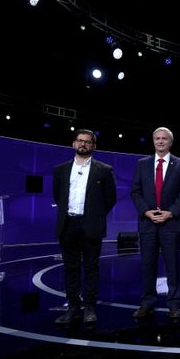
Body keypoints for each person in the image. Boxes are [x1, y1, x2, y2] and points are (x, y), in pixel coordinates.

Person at [52, 129, 117, 325]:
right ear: (73, 144)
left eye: (87, 142)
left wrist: (95, 215)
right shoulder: (61, 170)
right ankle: (72, 307)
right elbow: (58, 196)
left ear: (94, 146)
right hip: (68, 224)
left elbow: (110, 199)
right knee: (70, 268)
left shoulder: (104, 170)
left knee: (91, 268)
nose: (83, 144)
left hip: (91, 224)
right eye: (80, 141)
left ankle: (89, 307)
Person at [130, 126, 180, 319]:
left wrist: (171, 212)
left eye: (164, 138)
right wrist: (146, 211)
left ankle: (173, 304)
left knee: (172, 265)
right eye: (157, 138)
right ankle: (147, 303)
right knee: (148, 264)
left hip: (171, 223)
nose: (160, 141)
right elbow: (135, 191)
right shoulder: (142, 164)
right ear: (153, 141)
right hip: (148, 223)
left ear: (170, 142)